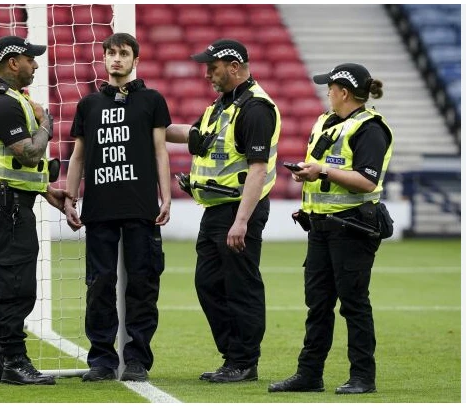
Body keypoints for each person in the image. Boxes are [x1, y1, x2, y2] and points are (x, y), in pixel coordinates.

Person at [268, 63, 393, 394]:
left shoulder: (371, 129)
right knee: (318, 304)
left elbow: (367, 181)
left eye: (331, 87)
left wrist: (321, 170)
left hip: (353, 227)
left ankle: (363, 376)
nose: (327, 92)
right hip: (322, 227)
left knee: (353, 303)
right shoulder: (327, 122)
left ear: (344, 92)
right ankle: (309, 374)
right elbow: (328, 170)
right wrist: (308, 171)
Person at [166, 39, 281, 383]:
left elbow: (258, 169)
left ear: (234, 66)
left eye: (212, 67)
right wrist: (150, 123)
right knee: (208, 283)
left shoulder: (256, 108)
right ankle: (234, 356)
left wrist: (241, 221)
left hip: (238, 210)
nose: (206, 75)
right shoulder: (222, 105)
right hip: (216, 209)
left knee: (241, 286)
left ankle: (243, 361)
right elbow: (193, 134)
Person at [63, 32, 172, 382]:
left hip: (142, 207)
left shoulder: (152, 100)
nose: (116, 59)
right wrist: (69, 196)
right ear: (104, 59)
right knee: (99, 285)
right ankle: (101, 360)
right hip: (100, 208)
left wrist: (165, 195)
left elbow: (160, 151)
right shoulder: (89, 104)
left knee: (142, 284)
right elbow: (77, 154)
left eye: (124, 53)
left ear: (135, 59)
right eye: (111, 53)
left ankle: (137, 359)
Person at [0, 35, 71, 385]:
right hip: (3, 208)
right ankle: (14, 361)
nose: (36, 64)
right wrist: (47, 124)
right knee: (14, 283)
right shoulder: (4, 104)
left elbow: (8, 166)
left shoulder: (1, 98)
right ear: (13, 63)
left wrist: (44, 189)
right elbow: (28, 154)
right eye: (30, 59)